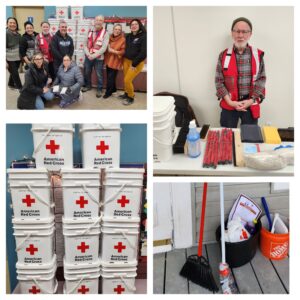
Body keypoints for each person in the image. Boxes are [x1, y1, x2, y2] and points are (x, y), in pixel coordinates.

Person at [215, 17, 266, 128]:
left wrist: (251, 100)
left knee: (249, 138)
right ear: (232, 33)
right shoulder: (223, 55)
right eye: (237, 31)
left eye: (244, 31)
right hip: (229, 103)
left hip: (250, 103)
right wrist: (230, 102)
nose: (240, 35)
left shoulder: (257, 55)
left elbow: (261, 80)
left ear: (250, 34)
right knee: (227, 136)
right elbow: (219, 81)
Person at [118, 19, 147, 106]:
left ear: (140, 26)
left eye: (136, 24)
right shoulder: (129, 36)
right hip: (126, 61)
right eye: (132, 24)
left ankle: (131, 96)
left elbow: (143, 53)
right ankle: (126, 93)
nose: (134, 26)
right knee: (125, 79)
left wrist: (134, 64)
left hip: (136, 63)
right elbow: (125, 48)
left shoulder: (144, 36)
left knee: (127, 80)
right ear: (130, 27)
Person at [82, 15, 109, 98]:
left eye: (100, 20)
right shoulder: (89, 31)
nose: (98, 21)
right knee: (87, 72)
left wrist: (93, 56)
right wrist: (88, 54)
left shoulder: (106, 33)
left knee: (99, 74)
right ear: (94, 21)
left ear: (103, 22)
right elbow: (84, 45)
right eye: (97, 20)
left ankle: (99, 89)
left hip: (98, 58)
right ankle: (88, 86)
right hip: (88, 56)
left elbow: (104, 47)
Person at [104, 24, 126, 99]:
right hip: (108, 60)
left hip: (116, 61)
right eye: (116, 29)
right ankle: (114, 90)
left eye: (119, 29)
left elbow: (123, 52)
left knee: (110, 78)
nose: (117, 31)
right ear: (113, 29)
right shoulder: (109, 38)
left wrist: (113, 51)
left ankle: (108, 92)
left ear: (121, 31)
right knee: (110, 77)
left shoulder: (123, 39)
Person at [6, 17, 22, 90]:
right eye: (10, 23)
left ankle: (11, 84)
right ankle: (21, 88)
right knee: (15, 73)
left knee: (13, 72)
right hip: (9, 57)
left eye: (14, 23)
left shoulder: (18, 34)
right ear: (7, 24)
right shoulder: (5, 33)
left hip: (17, 56)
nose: (12, 24)